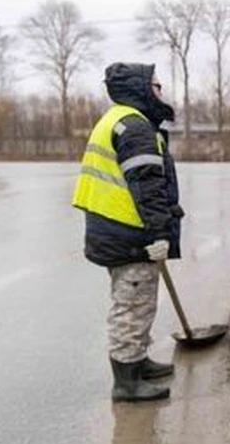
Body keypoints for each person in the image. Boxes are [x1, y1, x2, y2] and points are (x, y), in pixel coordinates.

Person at [72, 63, 182, 402]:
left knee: (138, 301)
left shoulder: (118, 118)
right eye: (156, 86)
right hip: (130, 232)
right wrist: (159, 234)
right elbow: (147, 187)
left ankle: (138, 362)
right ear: (140, 89)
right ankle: (126, 382)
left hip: (117, 229)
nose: (160, 92)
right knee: (132, 305)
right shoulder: (134, 127)